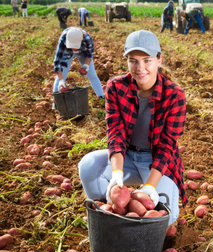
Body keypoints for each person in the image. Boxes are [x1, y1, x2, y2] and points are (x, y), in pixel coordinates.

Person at [78, 30, 187, 225]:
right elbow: (116, 133)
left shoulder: (174, 95)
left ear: (159, 59)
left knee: (166, 217)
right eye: (133, 60)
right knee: (88, 166)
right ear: (127, 61)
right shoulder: (116, 87)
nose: (140, 68)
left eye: (147, 60)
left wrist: (149, 187)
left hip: (156, 161)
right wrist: (117, 174)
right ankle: (107, 215)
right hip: (126, 157)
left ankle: (144, 222)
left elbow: (167, 145)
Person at [52, 27, 105, 104]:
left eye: (75, 46)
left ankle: (102, 98)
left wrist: (86, 66)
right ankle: (56, 103)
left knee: (92, 74)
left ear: (81, 40)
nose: (73, 49)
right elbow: (57, 62)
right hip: (67, 53)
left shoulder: (87, 39)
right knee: (61, 75)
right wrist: (61, 80)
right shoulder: (63, 39)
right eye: (72, 46)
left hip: (82, 52)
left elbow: (89, 55)